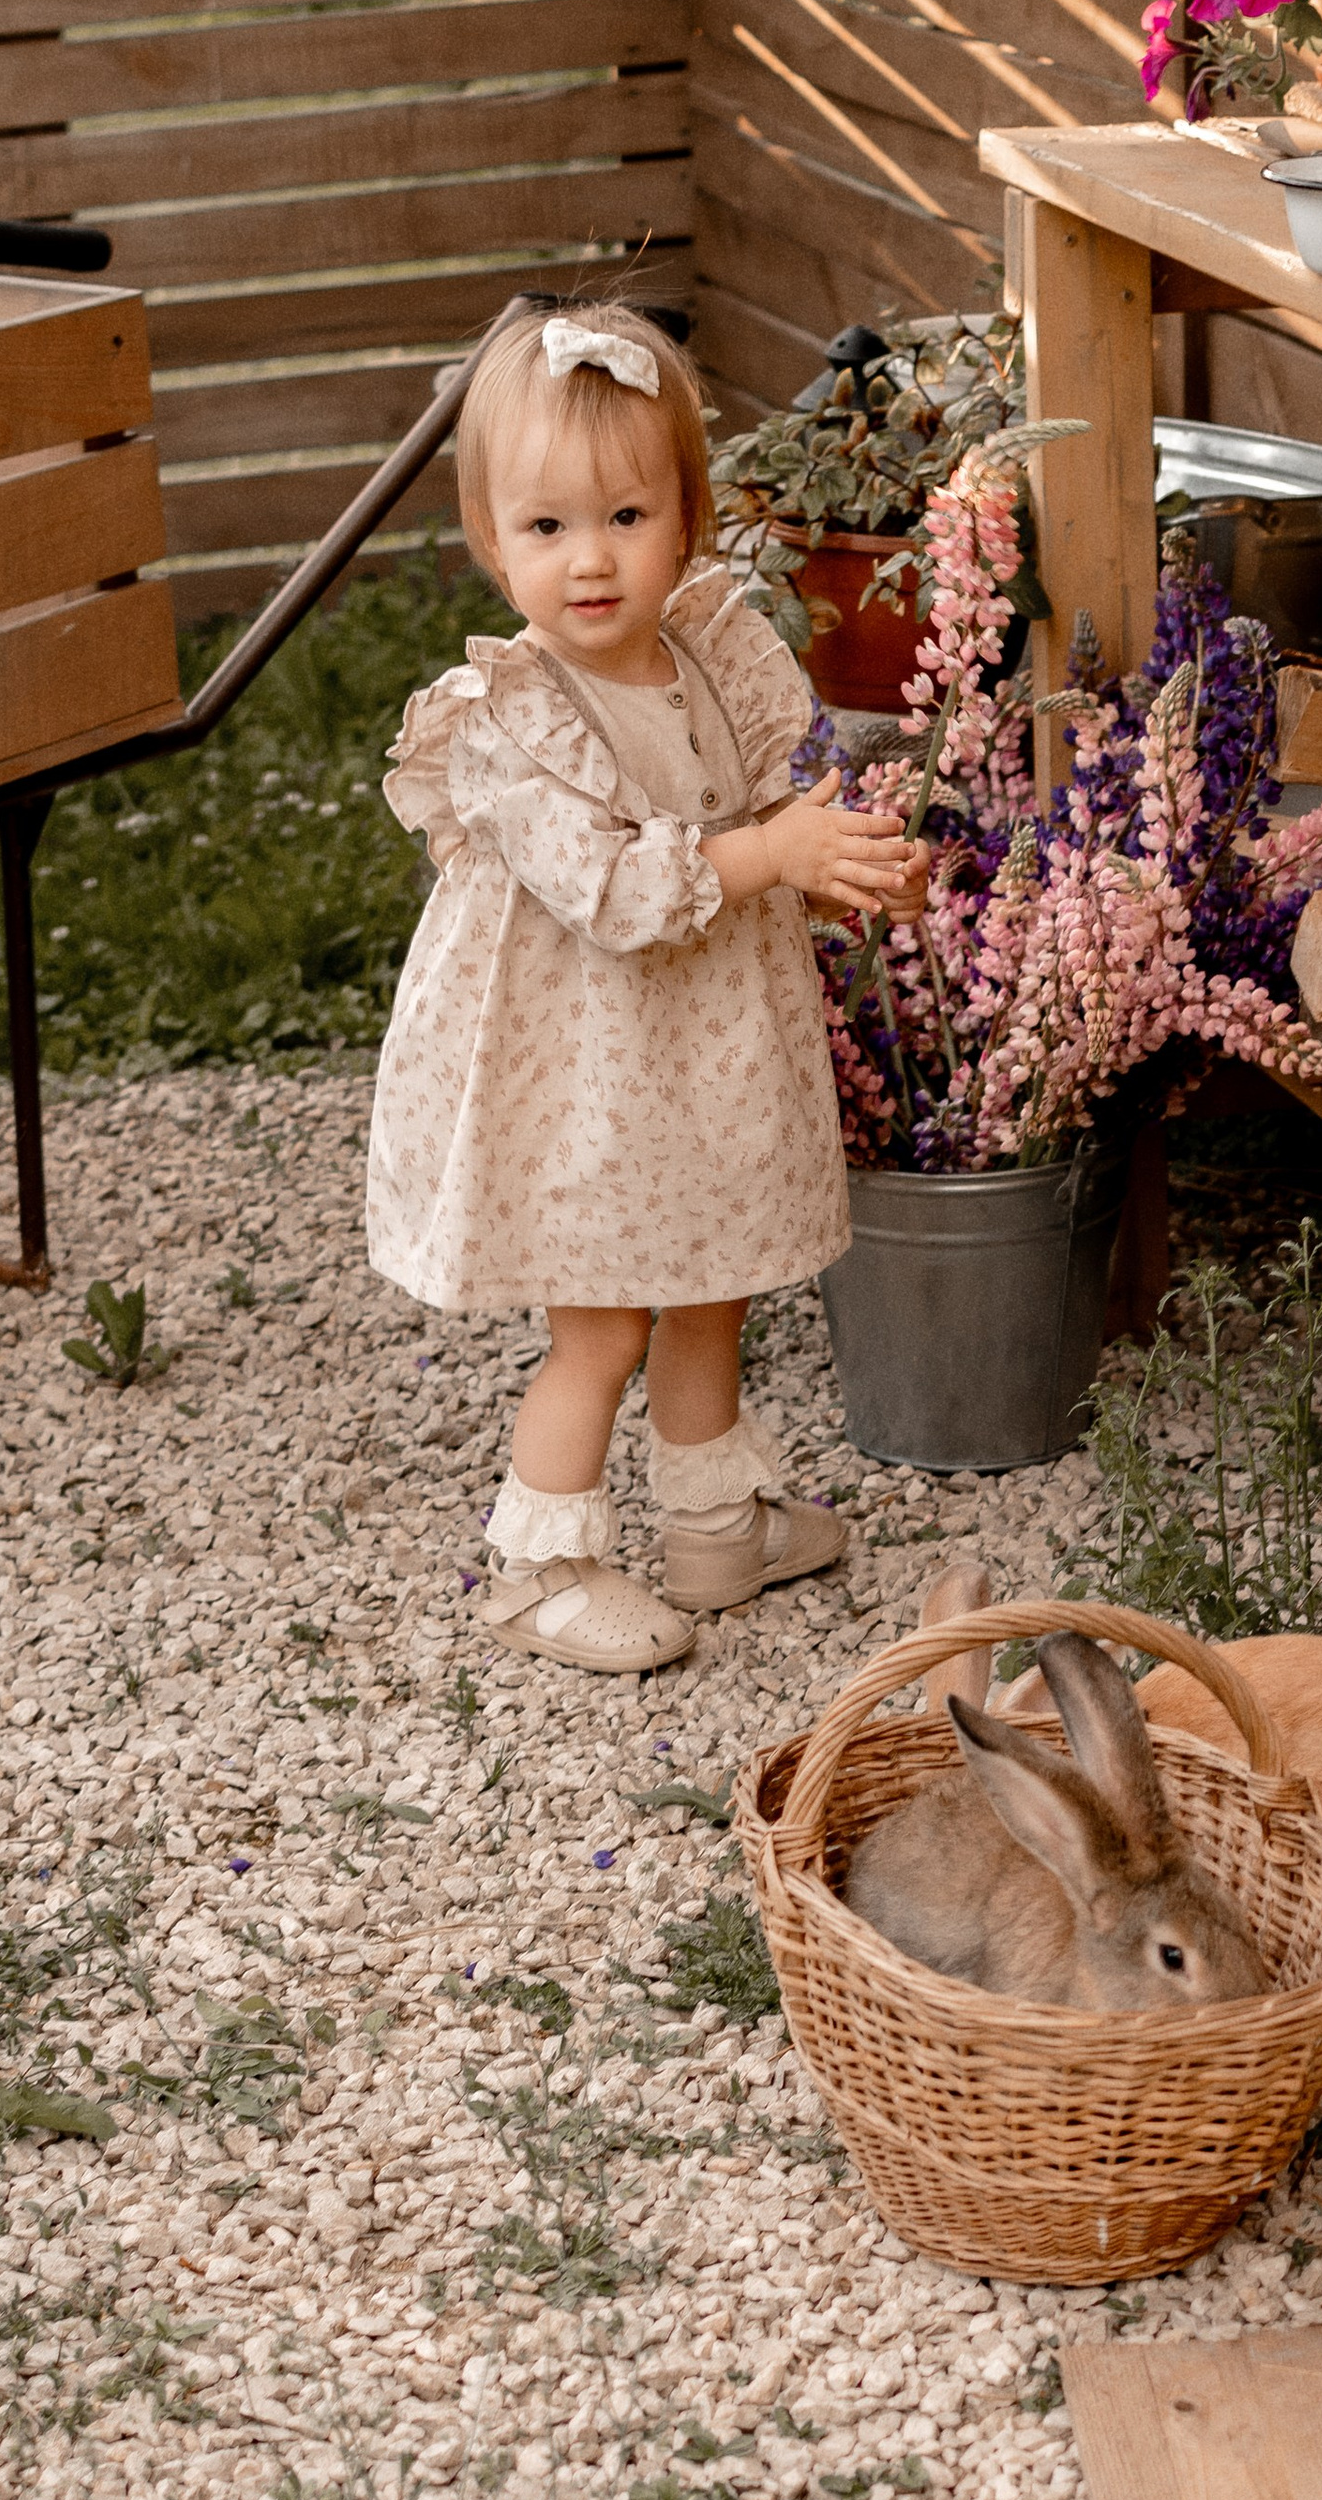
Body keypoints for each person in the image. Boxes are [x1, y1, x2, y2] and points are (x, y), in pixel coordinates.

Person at [365, 297, 925, 1674]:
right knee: (603, 1319)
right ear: (492, 541)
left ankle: (712, 1519)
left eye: (626, 517)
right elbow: (618, 892)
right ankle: (539, 1570)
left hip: (699, 1047)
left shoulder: (709, 654)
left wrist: (835, 858)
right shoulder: (510, 722)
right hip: (584, 1074)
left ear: (689, 517)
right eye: (546, 529)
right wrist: (769, 853)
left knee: (713, 1280)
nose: (591, 560)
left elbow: (754, 811)